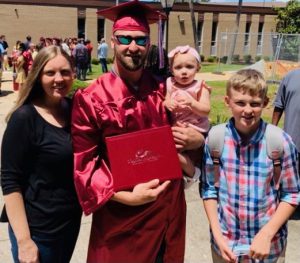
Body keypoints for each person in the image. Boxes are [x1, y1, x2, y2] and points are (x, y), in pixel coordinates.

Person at [71, 1, 202, 262]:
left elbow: (188, 135)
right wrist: (128, 198)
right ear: (113, 41)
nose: (133, 46)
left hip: (168, 214)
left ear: (149, 43)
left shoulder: (164, 90)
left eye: (141, 40)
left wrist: (198, 141)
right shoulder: (91, 98)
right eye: (125, 39)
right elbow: (85, 166)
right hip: (122, 220)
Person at [201, 69, 300, 263]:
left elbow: (292, 194)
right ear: (227, 101)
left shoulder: (280, 142)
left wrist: (267, 234)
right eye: (240, 103)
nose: (248, 110)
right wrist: (217, 234)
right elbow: (209, 189)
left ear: (265, 103)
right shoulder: (215, 139)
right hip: (225, 245)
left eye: (255, 104)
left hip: (268, 248)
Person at [0, 45, 82, 263]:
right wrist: (24, 241)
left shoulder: (75, 110)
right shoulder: (24, 118)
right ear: (37, 75)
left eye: (65, 72)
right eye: (50, 73)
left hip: (69, 224)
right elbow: (10, 181)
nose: (59, 79)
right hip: (38, 232)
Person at [163, 45, 210, 178]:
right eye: (178, 67)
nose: (184, 72)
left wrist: (192, 103)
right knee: (171, 151)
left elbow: (206, 110)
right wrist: (167, 103)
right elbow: (165, 100)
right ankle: (183, 173)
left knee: (174, 151)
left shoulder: (200, 86)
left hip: (195, 127)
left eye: (189, 67)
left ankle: (193, 174)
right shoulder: (169, 83)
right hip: (177, 125)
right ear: (171, 69)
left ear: (198, 68)